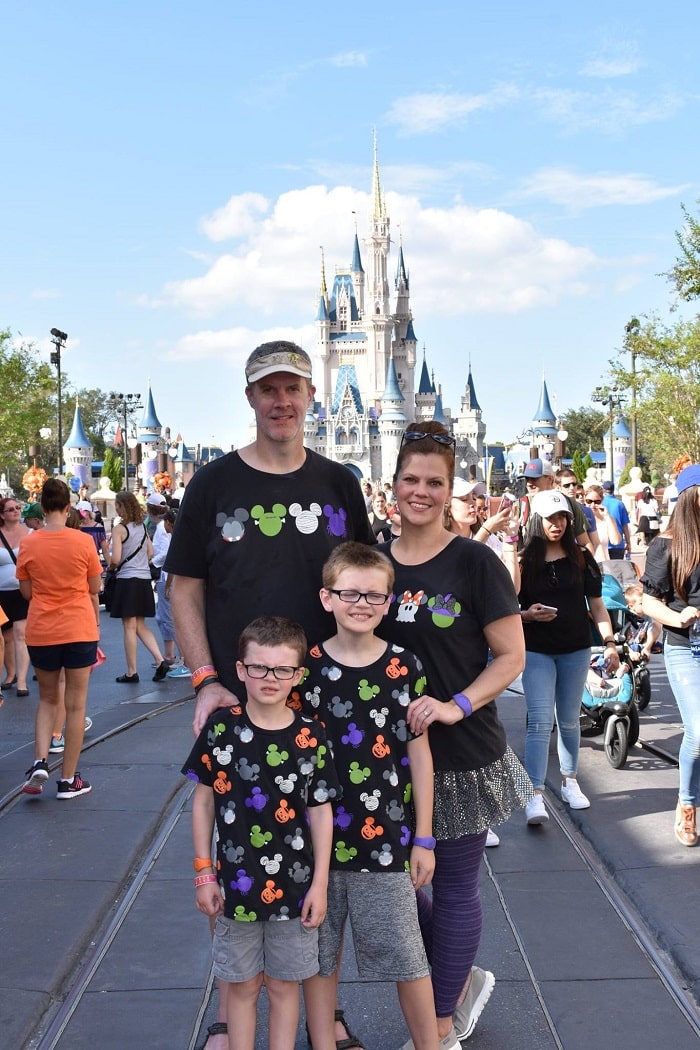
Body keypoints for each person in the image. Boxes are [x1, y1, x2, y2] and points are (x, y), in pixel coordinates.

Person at [165, 339, 374, 1050]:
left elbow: (366, 583)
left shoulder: (340, 483)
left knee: (325, 858)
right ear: (250, 398)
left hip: (325, 707)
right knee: (236, 856)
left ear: (313, 396)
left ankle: (324, 1010)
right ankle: (234, 1011)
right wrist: (203, 678)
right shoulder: (214, 484)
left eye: (293, 389)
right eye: (268, 390)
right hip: (242, 706)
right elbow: (184, 586)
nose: (281, 402)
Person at [374, 421, 530, 1047]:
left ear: (449, 489)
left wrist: (455, 705)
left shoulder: (474, 562)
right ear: (393, 487)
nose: (421, 491)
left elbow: (511, 656)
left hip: (460, 753)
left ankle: (438, 1026)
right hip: (380, 761)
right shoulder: (370, 561)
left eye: (434, 481)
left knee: (454, 884)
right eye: (411, 478)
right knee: (392, 888)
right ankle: (460, 980)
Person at [301, 543, 450, 1050]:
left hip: (385, 840)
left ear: (388, 602)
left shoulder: (404, 667)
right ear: (327, 598)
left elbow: (420, 756)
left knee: (408, 955)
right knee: (319, 957)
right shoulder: (306, 671)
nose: (361, 603)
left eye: (373, 595)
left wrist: (424, 836)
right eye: (349, 593)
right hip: (314, 845)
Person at [181, 615, 337, 1050]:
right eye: (260, 668)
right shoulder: (222, 729)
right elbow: (204, 801)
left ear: (298, 676)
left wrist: (320, 885)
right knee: (243, 987)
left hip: (296, 887)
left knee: (287, 987)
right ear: (241, 670)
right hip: (235, 887)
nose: (271, 678)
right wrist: (203, 872)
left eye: (283, 669)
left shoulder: (311, 735)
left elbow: (321, 812)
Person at [518, 490, 620, 826]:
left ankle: (569, 780)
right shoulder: (524, 561)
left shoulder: (581, 557)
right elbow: (508, 608)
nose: (556, 524)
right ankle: (534, 794)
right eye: (549, 518)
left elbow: (598, 605)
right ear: (537, 520)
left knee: (570, 719)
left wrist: (609, 642)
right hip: (536, 650)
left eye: (562, 517)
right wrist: (527, 616)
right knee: (539, 721)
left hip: (575, 648)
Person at [16, 479, 102, 798]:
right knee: (76, 705)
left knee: (48, 699)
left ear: (41, 507)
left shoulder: (29, 543)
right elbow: (94, 587)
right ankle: (68, 780)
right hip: (78, 629)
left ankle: (39, 761)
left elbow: (26, 592)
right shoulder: (82, 542)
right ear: (68, 508)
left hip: (42, 631)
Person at [640, 464, 700, 846]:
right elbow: (648, 602)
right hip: (686, 647)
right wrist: (678, 615)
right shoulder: (666, 545)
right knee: (699, 732)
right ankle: (688, 803)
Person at [109, 490, 169, 683]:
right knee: (140, 625)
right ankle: (160, 660)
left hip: (127, 580)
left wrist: (110, 565)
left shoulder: (120, 529)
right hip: (143, 579)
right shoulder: (142, 528)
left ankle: (131, 671)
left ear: (121, 506)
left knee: (129, 626)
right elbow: (150, 552)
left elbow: (116, 559)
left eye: (117, 505)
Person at [519, 459, 593, 553]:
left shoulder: (568, 503)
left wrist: (589, 565)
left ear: (549, 479)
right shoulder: (520, 505)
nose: (529, 484)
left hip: (566, 565)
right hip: (532, 564)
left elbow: (584, 542)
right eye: (527, 479)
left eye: (534, 479)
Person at [0, 495, 32, 694]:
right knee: (6, 637)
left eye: (18, 508)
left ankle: (22, 681)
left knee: (21, 635)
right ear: (2, 515)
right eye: (11, 509)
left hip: (22, 590)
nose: (16, 511)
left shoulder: (29, 533)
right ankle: (10, 674)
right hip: (1, 592)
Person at [583, 482, 621, 564]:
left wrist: (607, 516)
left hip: (603, 564)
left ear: (602, 500)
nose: (593, 505)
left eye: (597, 502)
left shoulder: (607, 518)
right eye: (589, 501)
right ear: (584, 499)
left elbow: (616, 541)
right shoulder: (580, 518)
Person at [602, 480, 631, 560]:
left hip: (603, 543)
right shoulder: (619, 504)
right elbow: (625, 525)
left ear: (603, 490)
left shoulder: (600, 503)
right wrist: (628, 543)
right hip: (618, 545)